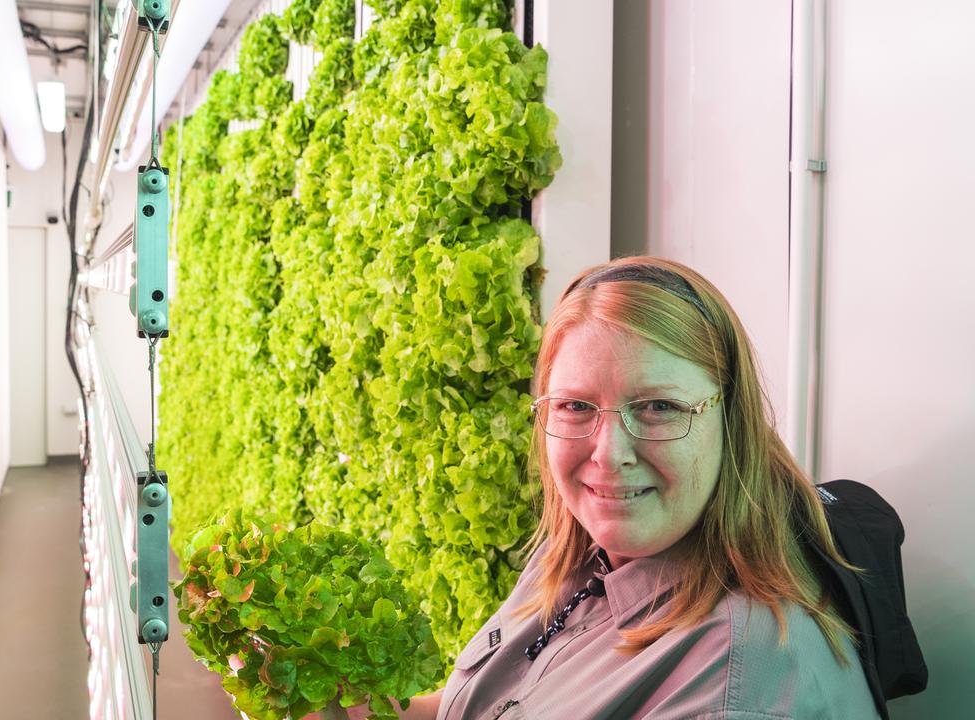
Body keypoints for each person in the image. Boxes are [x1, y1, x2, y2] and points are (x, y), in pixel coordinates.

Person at [327, 257, 878, 719]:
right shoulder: (580, 554)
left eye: (659, 407)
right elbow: (461, 708)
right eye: (575, 406)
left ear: (730, 421)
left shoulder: (736, 680)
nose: (609, 454)